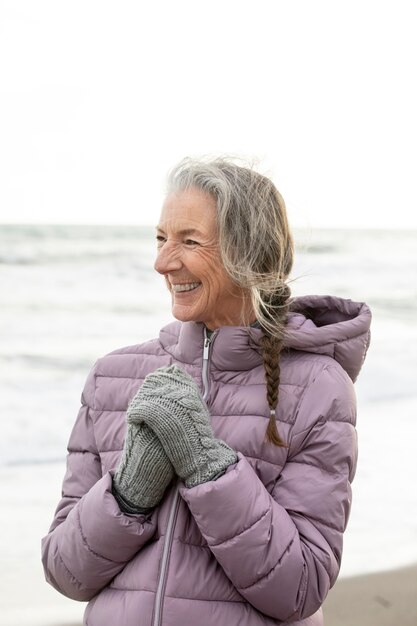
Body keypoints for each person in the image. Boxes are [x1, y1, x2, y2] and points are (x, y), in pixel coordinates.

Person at [41, 157, 372, 626]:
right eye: (160, 238)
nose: (162, 262)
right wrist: (129, 492)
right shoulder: (112, 377)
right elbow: (66, 572)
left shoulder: (318, 388)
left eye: (189, 241)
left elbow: (300, 587)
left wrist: (207, 467)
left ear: (248, 253)